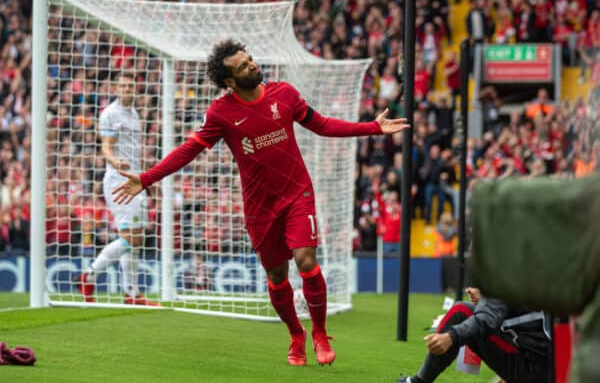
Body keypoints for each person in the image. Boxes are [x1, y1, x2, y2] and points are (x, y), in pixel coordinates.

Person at [112, 39, 410, 366]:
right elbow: (189, 150)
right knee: (277, 276)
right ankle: (296, 333)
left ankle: (320, 333)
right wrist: (146, 178)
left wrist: (372, 127)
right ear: (229, 81)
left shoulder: (284, 93)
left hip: (298, 193)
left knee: (306, 260)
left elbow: (321, 125)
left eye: (250, 60)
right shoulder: (220, 113)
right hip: (259, 207)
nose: (252, 65)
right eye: (242, 66)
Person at [77, 70, 160, 306]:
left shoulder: (134, 114)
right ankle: (89, 275)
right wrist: (115, 162)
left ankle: (131, 294)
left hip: (136, 181)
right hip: (119, 181)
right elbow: (106, 147)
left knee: (137, 236)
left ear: (135, 89)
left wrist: (148, 179)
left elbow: (136, 151)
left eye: (130, 86)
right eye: (122, 86)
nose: (126, 90)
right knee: (129, 237)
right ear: (116, 89)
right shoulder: (110, 114)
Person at [397, 287, 550, 383]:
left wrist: (451, 336)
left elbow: (485, 320)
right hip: (554, 365)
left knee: (461, 312)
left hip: (533, 370)